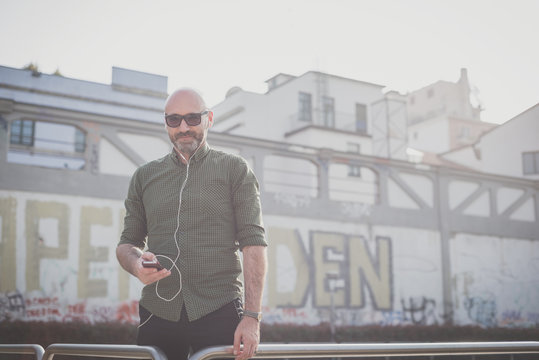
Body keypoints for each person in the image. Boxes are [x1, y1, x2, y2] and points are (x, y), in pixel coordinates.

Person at [116, 88, 268, 360]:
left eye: (192, 118)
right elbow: (127, 243)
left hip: (220, 309)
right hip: (157, 312)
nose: (183, 127)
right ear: (166, 124)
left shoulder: (235, 170)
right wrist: (137, 265)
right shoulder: (144, 176)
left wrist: (252, 318)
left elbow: (253, 243)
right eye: (174, 120)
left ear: (209, 118)